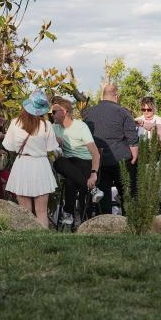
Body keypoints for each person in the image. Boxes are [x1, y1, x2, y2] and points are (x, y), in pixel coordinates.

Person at [4, 90, 60, 227]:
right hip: (40, 165)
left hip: (22, 164)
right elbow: (51, 147)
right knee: (41, 212)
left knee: (25, 212)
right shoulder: (46, 125)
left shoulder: (14, 123)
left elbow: (8, 146)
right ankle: (43, 241)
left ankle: (27, 241)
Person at [84, 83, 139, 215]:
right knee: (127, 193)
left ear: (103, 96)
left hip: (99, 159)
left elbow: (85, 137)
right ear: (116, 96)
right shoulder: (123, 112)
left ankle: (105, 223)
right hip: (121, 158)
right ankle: (129, 221)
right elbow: (132, 137)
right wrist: (134, 156)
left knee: (102, 195)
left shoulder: (89, 113)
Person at [51, 96, 101, 226]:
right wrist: (54, 140)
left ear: (65, 112)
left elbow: (95, 153)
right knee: (58, 162)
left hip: (85, 163)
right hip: (70, 164)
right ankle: (93, 190)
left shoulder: (81, 127)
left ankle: (68, 213)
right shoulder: (54, 128)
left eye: (54, 112)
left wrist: (94, 173)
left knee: (70, 180)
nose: (52, 115)